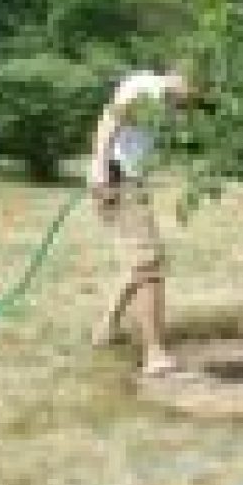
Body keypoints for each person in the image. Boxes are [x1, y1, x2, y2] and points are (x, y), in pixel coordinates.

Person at [87, 69, 190, 377]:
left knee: (140, 262)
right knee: (149, 266)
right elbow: (109, 122)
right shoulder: (146, 88)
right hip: (118, 181)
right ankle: (154, 354)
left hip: (130, 181)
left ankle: (106, 327)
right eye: (194, 90)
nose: (192, 101)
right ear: (179, 77)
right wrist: (102, 174)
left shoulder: (163, 100)